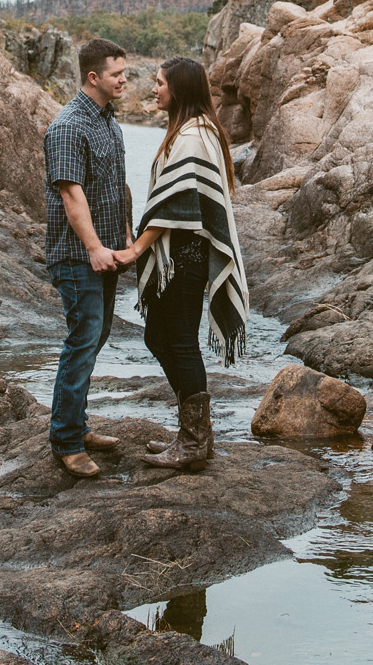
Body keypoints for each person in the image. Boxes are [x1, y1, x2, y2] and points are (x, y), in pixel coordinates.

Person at [112, 56, 249, 470]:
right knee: (158, 336)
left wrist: (136, 250)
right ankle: (194, 434)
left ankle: (193, 442)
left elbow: (178, 203)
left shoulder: (194, 135)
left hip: (184, 256)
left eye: (159, 83)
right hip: (179, 254)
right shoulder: (189, 130)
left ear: (180, 89)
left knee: (182, 343)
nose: (153, 89)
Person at [42, 37, 133, 479]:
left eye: (126, 74)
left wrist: (128, 239)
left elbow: (117, 186)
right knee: (82, 340)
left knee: (92, 341)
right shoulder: (67, 126)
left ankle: (75, 425)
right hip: (78, 257)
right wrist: (96, 248)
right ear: (93, 77)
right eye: (117, 74)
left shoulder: (109, 123)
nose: (124, 81)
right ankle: (66, 441)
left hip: (107, 253)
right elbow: (70, 195)